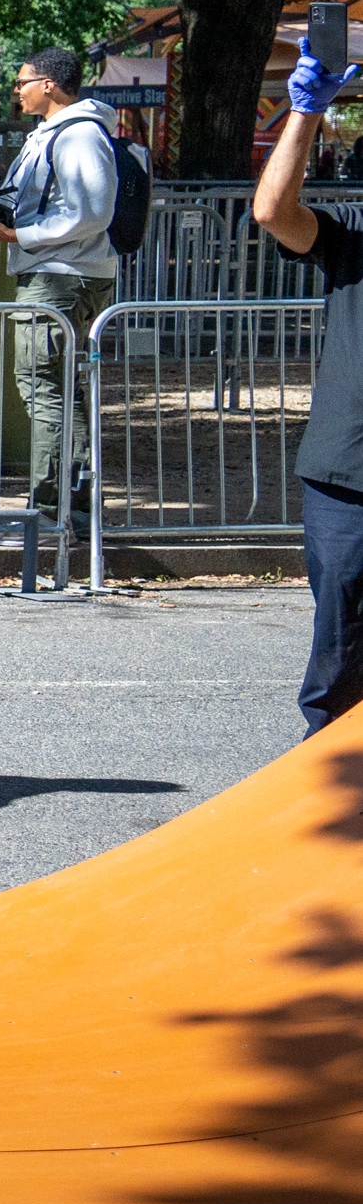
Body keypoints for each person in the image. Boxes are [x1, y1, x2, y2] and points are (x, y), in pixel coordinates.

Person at [256, 39, 363, 727]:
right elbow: (272, 212)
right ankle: (324, 775)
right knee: (341, 645)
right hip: (348, 472)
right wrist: (303, 113)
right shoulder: (354, 230)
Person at [0, 43, 124, 522]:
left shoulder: (79, 135)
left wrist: (20, 235)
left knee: (46, 389)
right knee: (62, 390)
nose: (16, 90)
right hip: (61, 274)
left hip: (60, 278)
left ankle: (49, 511)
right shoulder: (54, 133)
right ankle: (71, 507)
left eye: (21, 82)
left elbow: (92, 211)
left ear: (48, 84)